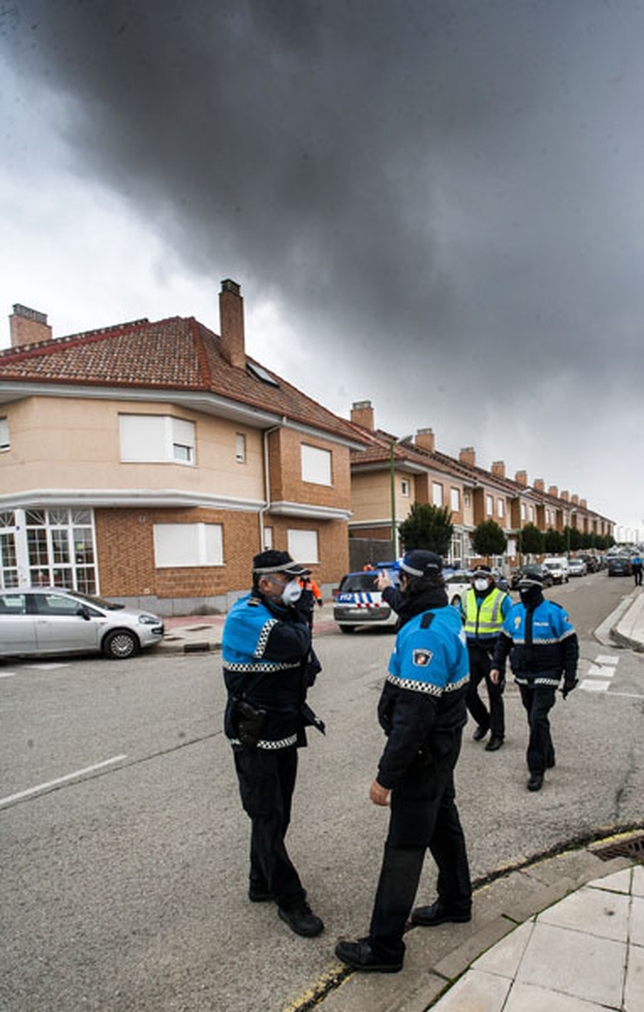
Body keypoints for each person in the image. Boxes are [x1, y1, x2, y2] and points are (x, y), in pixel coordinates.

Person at [335, 550, 472, 974]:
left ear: (414, 582)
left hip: (422, 754)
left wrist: (385, 778)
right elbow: (408, 604)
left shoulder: (425, 633)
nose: (399, 585)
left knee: (405, 847)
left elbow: (413, 717)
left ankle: (384, 948)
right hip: (444, 747)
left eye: (401, 580)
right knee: (443, 824)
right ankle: (456, 901)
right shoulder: (443, 613)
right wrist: (388, 591)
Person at [222, 550, 325, 938]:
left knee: (276, 815)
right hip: (254, 733)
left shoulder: (279, 612)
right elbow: (295, 646)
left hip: (282, 727)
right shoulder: (246, 616)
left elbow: (307, 665)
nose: (298, 586)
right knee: (266, 816)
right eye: (289, 579)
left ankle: (260, 881)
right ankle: (290, 899)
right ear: (265, 583)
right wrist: (304, 613)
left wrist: (299, 614)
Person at [490, 572, 579, 792]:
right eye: (520, 587)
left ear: (538, 589)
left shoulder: (554, 613)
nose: (523, 592)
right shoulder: (515, 612)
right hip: (522, 674)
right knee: (534, 718)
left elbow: (570, 647)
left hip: (548, 672)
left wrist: (569, 677)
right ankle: (548, 753)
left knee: (538, 717)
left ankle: (536, 770)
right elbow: (503, 642)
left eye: (528, 588)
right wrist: (496, 667)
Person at [461, 566, 512, 752]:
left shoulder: (502, 598)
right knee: (467, 691)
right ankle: (484, 722)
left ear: (491, 579)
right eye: (476, 577)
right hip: (472, 651)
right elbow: (462, 619)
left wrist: (507, 654)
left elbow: (510, 627)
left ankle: (497, 735)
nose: (479, 581)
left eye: (483, 577)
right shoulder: (466, 597)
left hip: (492, 654)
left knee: (494, 694)